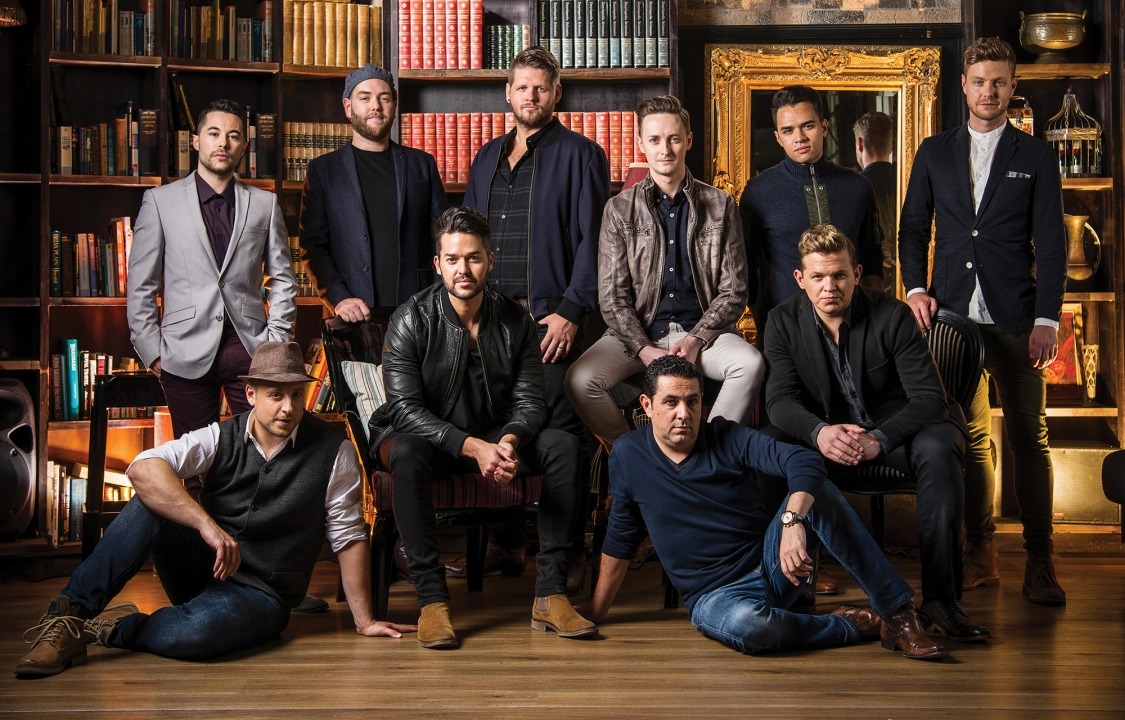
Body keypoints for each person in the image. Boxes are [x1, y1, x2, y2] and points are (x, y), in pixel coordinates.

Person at [15, 342, 415, 677]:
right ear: (252, 394)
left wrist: (364, 621)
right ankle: (66, 619)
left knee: (197, 634)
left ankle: (114, 628)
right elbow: (143, 467)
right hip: (202, 567)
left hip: (263, 595)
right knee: (149, 502)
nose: (288, 408)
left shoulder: (334, 450)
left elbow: (348, 536)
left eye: (296, 394)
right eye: (276, 395)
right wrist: (206, 525)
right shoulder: (218, 435)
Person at [586, 355, 946, 661]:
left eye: (693, 401)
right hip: (714, 597)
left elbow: (804, 461)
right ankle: (853, 625)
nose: (684, 413)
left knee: (819, 491)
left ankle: (898, 615)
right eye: (671, 402)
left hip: (775, 566)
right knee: (752, 629)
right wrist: (595, 613)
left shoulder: (727, 436)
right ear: (647, 406)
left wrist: (792, 520)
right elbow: (621, 535)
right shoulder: (629, 455)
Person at [368, 207, 594, 649]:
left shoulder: (516, 321)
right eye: (452, 259)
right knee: (408, 452)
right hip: (428, 438)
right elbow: (404, 409)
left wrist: (508, 441)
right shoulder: (410, 320)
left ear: (490, 260)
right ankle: (432, 602)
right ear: (438, 264)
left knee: (564, 446)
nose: (463, 269)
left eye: (473, 258)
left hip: (494, 434)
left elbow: (531, 402)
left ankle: (551, 594)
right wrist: (474, 448)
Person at [898, 37, 1068, 606]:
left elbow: (1050, 240)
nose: (988, 91)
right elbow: (913, 227)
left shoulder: (1035, 156)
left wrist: (1048, 315)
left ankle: (1041, 560)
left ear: (1012, 86)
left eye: (999, 81)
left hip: (1019, 318)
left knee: (1029, 439)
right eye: (979, 81)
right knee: (969, 441)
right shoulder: (934, 151)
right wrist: (916, 288)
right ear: (964, 86)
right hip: (951, 319)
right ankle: (981, 552)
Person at [761, 224, 990, 643]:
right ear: (801, 279)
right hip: (831, 437)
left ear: (856, 272)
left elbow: (928, 398)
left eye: (839, 275)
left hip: (897, 435)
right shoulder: (781, 321)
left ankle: (941, 599)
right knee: (770, 441)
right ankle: (791, 588)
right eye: (818, 277)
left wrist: (878, 439)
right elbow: (779, 399)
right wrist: (819, 433)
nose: (830, 287)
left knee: (940, 448)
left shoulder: (893, 314)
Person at [464, 46, 610, 575]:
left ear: (556, 95)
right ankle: (506, 539)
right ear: (508, 93)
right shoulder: (485, 158)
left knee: (559, 436)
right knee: (497, 423)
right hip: (489, 321)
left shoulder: (582, 154)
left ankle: (565, 550)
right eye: (522, 86)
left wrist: (573, 310)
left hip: (549, 318)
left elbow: (593, 241)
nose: (530, 95)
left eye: (541, 87)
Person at [566, 95, 764, 446]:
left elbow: (734, 290)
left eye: (674, 139)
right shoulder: (619, 209)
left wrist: (696, 339)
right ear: (641, 143)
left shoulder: (719, 205)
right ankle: (633, 457)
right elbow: (612, 297)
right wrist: (643, 348)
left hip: (703, 335)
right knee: (581, 380)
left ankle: (707, 454)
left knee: (749, 364)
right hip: (637, 335)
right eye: (655, 140)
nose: (665, 150)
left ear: (688, 140)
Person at [128, 98, 297, 445]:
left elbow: (282, 277)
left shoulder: (264, 204)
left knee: (261, 456)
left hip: (250, 352)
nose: (223, 143)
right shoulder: (160, 201)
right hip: (182, 352)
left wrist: (275, 343)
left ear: (244, 147)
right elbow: (141, 284)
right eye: (214, 133)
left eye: (233, 136)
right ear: (196, 141)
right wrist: (152, 350)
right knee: (193, 463)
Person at [299, 65, 448, 323]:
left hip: (419, 312)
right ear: (348, 107)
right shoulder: (323, 170)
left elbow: (443, 238)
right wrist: (338, 297)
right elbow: (313, 246)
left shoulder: (422, 164)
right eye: (365, 98)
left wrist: (437, 298)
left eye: (384, 98)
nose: (375, 106)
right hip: (352, 314)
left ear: (394, 105)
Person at [740, 84, 884, 327]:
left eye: (808, 125)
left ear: (824, 127)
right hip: (785, 325)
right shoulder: (758, 191)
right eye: (788, 130)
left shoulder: (858, 187)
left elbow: (871, 256)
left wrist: (872, 314)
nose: (800, 138)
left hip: (854, 323)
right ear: (778, 137)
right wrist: (765, 319)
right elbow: (746, 265)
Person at [853, 110, 899, 293]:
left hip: (870, 283)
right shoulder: (908, 181)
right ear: (891, 145)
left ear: (859, 143)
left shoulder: (855, 187)